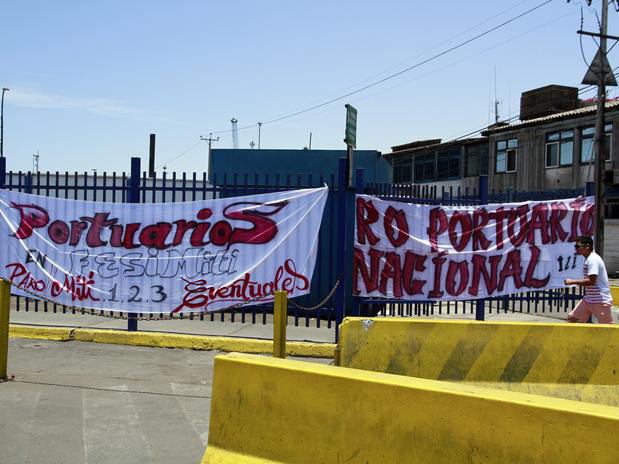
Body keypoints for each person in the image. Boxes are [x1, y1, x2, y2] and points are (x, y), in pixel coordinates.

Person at [564, 235, 614, 324]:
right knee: (572, 318)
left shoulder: (593, 259)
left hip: (600, 300)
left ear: (587, 246)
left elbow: (591, 281)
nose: (576, 249)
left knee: (607, 328)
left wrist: (572, 282)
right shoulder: (589, 259)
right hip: (589, 299)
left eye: (578, 246)